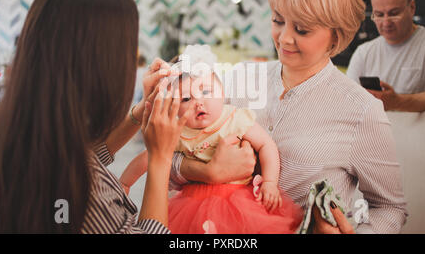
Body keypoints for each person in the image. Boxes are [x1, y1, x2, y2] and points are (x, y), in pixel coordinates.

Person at [170, 0, 408, 234]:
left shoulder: (361, 111)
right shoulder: (238, 79)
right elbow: (171, 156)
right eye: (278, 21)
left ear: (337, 36)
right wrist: (205, 172)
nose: (283, 38)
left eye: (302, 29)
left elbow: (390, 207)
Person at [0, 0, 193, 233]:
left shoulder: (9, 136)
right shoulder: (84, 200)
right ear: (102, 70)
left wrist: (138, 115)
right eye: (129, 53)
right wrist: (160, 159)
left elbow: (86, 157)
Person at [120, 45, 303, 234]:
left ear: (222, 93)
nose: (198, 101)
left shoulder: (234, 118)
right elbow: (148, 156)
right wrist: (124, 183)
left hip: (240, 199)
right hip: (192, 203)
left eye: (206, 92)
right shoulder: (179, 131)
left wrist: (270, 182)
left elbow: (266, 145)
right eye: (185, 99)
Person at [347, 0, 425, 112]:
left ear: (411, 8)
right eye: (379, 15)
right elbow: (348, 98)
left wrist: (399, 102)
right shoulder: (364, 52)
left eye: (394, 13)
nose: (386, 22)